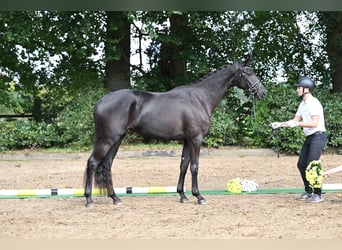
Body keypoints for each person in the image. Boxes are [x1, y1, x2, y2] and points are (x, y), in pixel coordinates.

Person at [275, 76, 327, 203]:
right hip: (310, 137)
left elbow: (314, 123)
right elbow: (295, 120)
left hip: (318, 136)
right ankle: (309, 191)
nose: (297, 90)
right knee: (301, 164)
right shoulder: (302, 104)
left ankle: (318, 193)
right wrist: (280, 124)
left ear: (306, 89)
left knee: (312, 165)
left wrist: (297, 124)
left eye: (299, 88)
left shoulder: (313, 103)